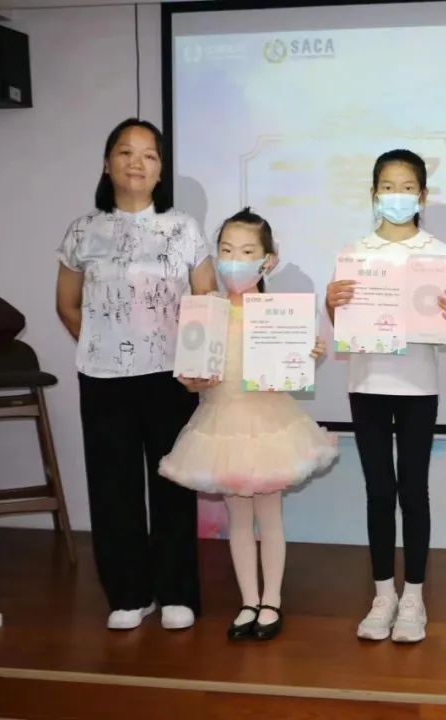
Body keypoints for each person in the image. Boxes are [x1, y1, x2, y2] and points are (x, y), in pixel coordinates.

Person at [56, 118, 270, 630]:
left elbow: (205, 304)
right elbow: (67, 305)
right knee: (113, 487)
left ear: (160, 170)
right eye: (125, 152)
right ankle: (129, 594)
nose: (137, 162)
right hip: (103, 379)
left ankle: (177, 592)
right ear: (107, 163)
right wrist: (103, 344)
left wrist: (199, 364)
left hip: (170, 379)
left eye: (149, 155)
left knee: (173, 484)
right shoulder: (83, 231)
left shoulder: (183, 228)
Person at [159, 208, 337, 641]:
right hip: (221, 424)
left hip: (270, 425)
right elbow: (189, 375)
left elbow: (291, 367)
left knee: (269, 517)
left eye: (245, 252)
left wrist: (308, 354)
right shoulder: (206, 311)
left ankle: (271, 600)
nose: (233, 261)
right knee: (238, 518)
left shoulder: (279, 313)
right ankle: (248, 601)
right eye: (225, 251)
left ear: (267, 260)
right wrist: (190, 379)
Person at [325, 149, 446, 643]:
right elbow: (344, 323)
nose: (397, 196)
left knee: (413, 490)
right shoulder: (355, 253)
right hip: (366, 384)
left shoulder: (437, 253)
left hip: (417, 386)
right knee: (379, 492)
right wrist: (333, 306)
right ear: (373, 194)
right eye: (388, 187)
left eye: (407, 187)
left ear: (422, 195)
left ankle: (414, 596)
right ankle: (383, 593)